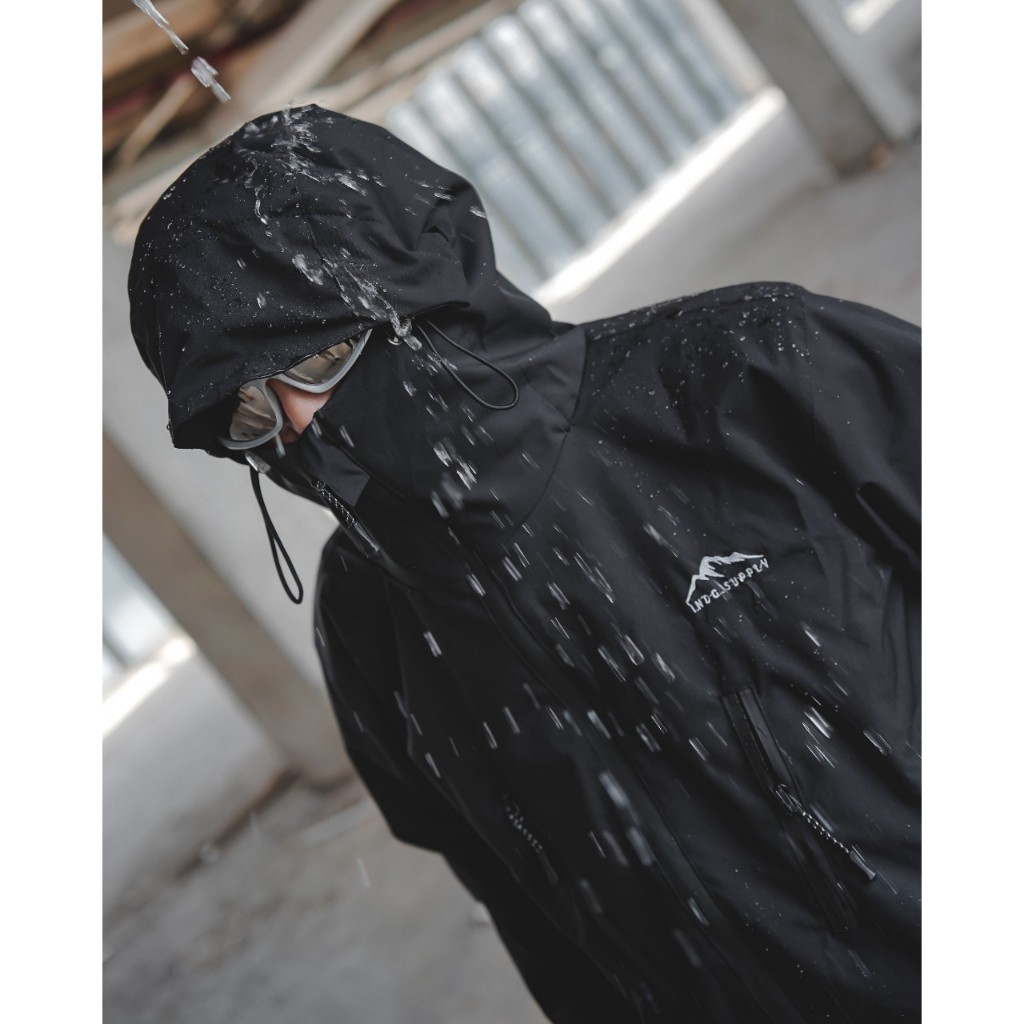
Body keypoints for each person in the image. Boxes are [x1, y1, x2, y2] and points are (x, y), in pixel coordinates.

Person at [128, 104, 920, 1023]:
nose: (299, 426)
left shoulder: (749, 373)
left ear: (431, 291)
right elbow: (524, 907)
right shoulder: (363, 617)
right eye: (248, 410)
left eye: (321, 358)